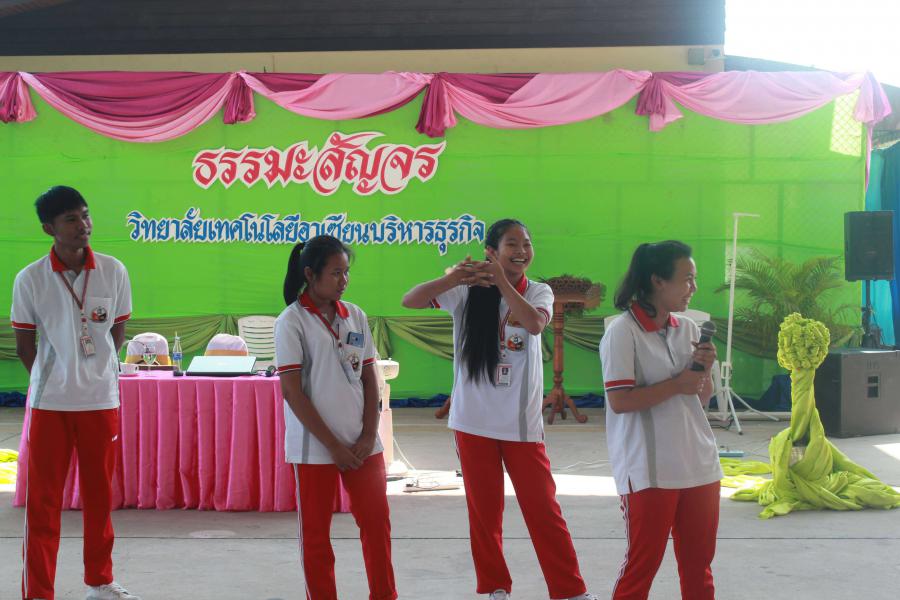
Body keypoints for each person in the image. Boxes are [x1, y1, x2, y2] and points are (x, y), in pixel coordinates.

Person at [402, 219, 597, 600]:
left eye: (526, 244)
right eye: (512, 244)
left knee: (543, 510)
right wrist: (454, 278)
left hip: (521, 425)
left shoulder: (538, 291)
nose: (521, 251)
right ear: (492, 251)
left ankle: (570, 590)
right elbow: (410, 300)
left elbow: (535, 324)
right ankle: (495, 588)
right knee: (485, 515)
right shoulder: (465, 292)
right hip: (472, 423)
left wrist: (501, 282)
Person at [11, 186, 140, 600]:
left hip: (100, 402)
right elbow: (25, 346)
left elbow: (116, 333)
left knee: (100, 498)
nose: (83, 225)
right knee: (43, 504)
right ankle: (38, 592)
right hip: (50, 406)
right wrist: (54, 382)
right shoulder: (30, 279)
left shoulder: (114, 271)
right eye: (71, 219)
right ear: (49, 228)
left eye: (85, 215)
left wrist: (92, 373)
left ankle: (100, 582)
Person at [274, 235, 397, 600]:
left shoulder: (355, 315)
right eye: (335, 273)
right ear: (310, 275)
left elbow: (370, 379)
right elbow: (292, 392)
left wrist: (368, 435)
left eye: (346, 272)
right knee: (316, 536)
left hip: (362, 444)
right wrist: (334, 447)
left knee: (377, 524)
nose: (343, 280)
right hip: (315, 449)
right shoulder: (291, 322)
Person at [599, 241, 723, 600]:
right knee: (642, 567)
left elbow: (701, 397)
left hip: (699, 464)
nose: (693, 287)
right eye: (687, 279)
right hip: (649, 470)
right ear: (658, 281)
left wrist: (704, 370)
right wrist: (677, 384)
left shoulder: (688, 328)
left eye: (694, 279)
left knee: (699, 566)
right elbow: (620, 401)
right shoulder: (622, 332)